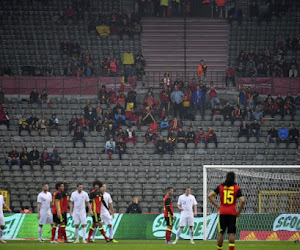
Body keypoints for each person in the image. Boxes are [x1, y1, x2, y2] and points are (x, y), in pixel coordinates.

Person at [208, 172, 245, 250]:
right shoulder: (236, 188)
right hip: (232, 212)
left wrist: (217, 205)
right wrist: (239, 211)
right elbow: (242, 201)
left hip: (223, 212)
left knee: (221, 232)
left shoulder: (221, 187)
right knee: (231, 233)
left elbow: (210, 195)